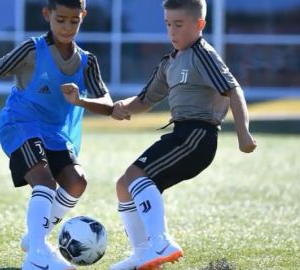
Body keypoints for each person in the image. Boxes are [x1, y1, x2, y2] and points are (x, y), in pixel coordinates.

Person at [0, 0, 113, 269]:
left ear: (83, 16)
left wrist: (79, 101)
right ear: (47, 14)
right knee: (44, 181)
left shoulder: (87, 62)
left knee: (77, 182)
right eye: (61, 19)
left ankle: (36, 237)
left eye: (74, 20)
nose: (67, 26)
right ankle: (37, 254)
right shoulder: (32, 50)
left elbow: (107, 105)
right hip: (21, 124)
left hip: (56, 133)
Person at [109, 0, 257, 269]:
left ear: (199, 25)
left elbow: (233, 90)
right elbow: (145, 99)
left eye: (179, 24)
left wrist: (243, 134)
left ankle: (161, 242)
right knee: (124, 185)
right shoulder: (169, 62)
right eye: (167, 24)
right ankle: (143, 254)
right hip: (181, 135)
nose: (172, 31)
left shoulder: (203, 54)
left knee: (135, 177)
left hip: (197, 137)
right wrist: (121, 107)